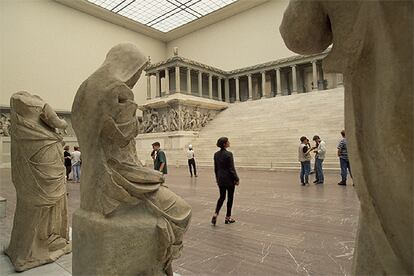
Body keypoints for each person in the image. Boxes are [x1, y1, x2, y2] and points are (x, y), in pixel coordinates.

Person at [211, 137, 239, 225]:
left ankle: (216, 213)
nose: (229, 143)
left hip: (221, 179)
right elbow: (231, 169)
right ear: (224, 144)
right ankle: (228, 217)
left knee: (222, 197)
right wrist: (236, 178)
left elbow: (216, 168)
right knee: (230, 198)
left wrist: (217, 178)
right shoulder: (229, 154)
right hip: (229, 180)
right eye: (228, 142)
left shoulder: (216, 155)